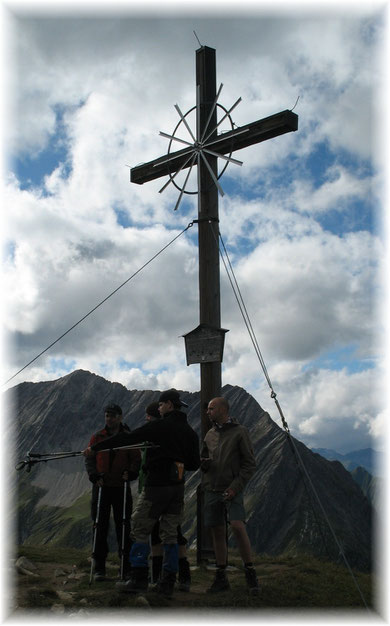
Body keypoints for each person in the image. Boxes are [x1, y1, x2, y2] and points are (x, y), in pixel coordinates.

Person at [84, 389, 200, 597]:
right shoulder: (189, 432)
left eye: (161, 405)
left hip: (156, 487)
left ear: (169, 405)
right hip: (178, 488)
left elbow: (127, 439)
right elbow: (193, 463)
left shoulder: (159, 426)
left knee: (138, 527)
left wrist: (96, 448)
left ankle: (138, 578)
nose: (159, 408)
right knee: (170, 533)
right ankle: (167, 582)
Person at [201, 396, 260, 595]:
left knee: (237, 526)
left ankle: (250, 571)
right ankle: (221, 576)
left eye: (211, 408)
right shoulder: (209, 434)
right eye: (208, 409)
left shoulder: (240, 432)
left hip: (232, 488)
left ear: (223, 410)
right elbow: (204, 458)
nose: (208, 412)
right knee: (217, 531)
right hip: (212, 488)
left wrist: (235, 487)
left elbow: (250, 464)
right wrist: (204, 464)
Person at [85, 403, 141, 581]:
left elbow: (136, 459)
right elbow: (89, 459)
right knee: (99, 525)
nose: (109, 419)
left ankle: (126, 567)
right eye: (107, 415)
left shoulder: (128, 437)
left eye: (112, 416)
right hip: (101, 486)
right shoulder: (97, 437)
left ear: (120, 417)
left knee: (123, 526)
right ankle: (99, 567)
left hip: (121, 487)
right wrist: (93, 475)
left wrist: (132, 473)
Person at [140, 402, 192, 592]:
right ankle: (177, 575)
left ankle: (162, 576)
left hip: (160, 488)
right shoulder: (171, 432)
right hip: (172, 487)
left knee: (165, 532)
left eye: (148, 415)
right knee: (171, 532)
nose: (146, 419)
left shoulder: (158, 434)